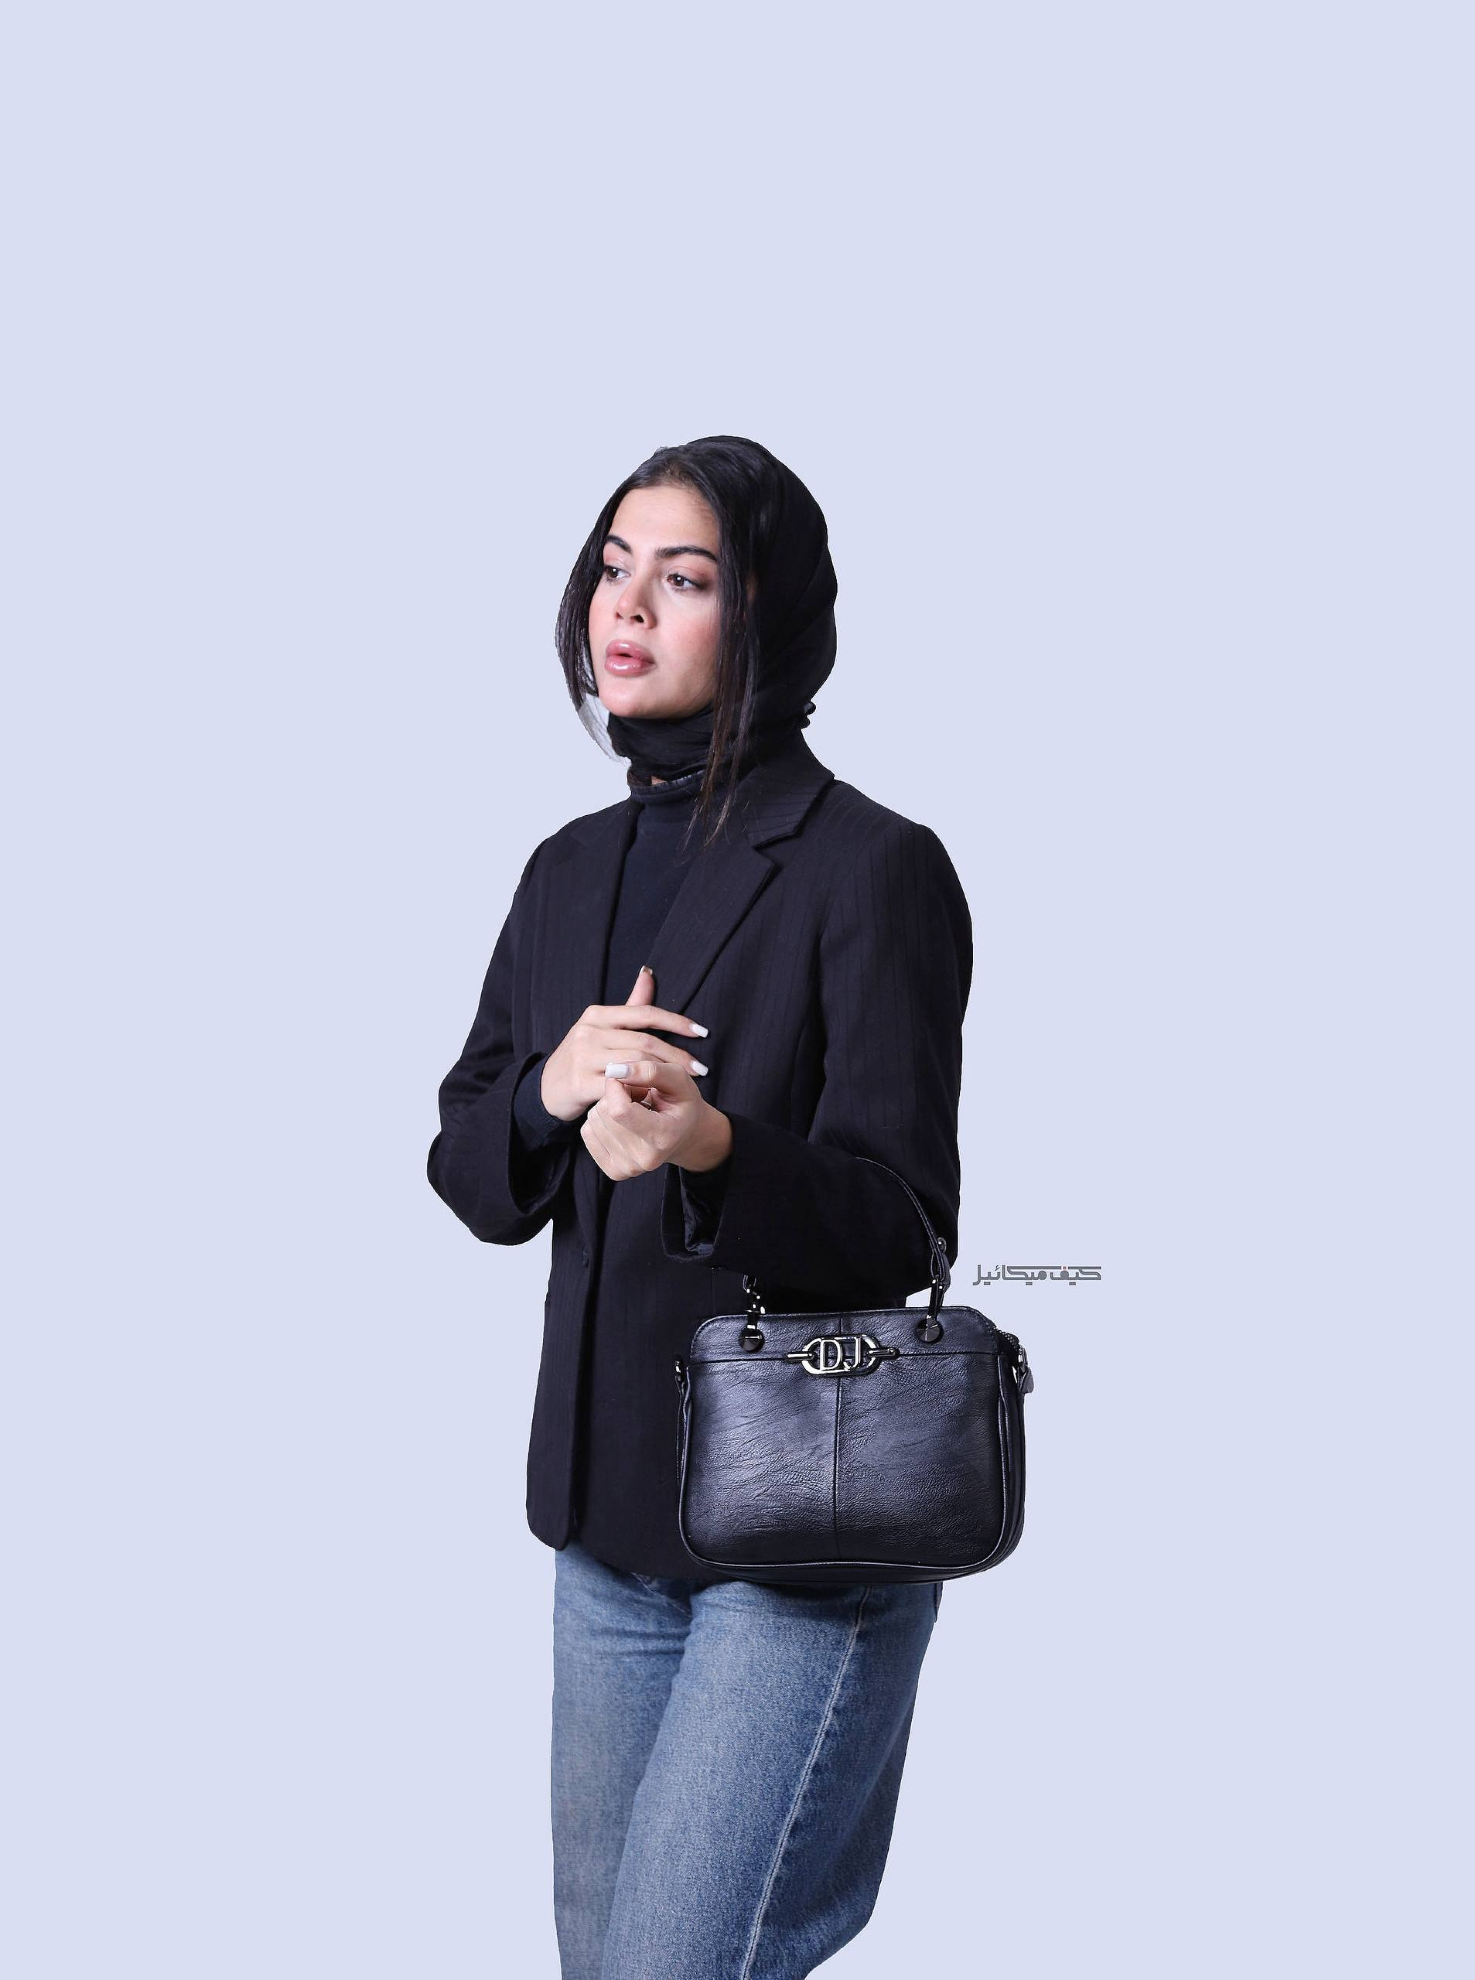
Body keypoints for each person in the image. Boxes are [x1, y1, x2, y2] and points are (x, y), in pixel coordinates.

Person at [427, 436, 974, 1978]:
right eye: (613, 568)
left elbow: (904, 1229)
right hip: (604, 1529)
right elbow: (470, 1171)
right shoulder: (563, 870)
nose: (627, 606)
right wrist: (546, 1092)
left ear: (768, 614)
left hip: (799, 1537)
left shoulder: (871, 867)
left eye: (683, 578)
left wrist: (712, 1145)